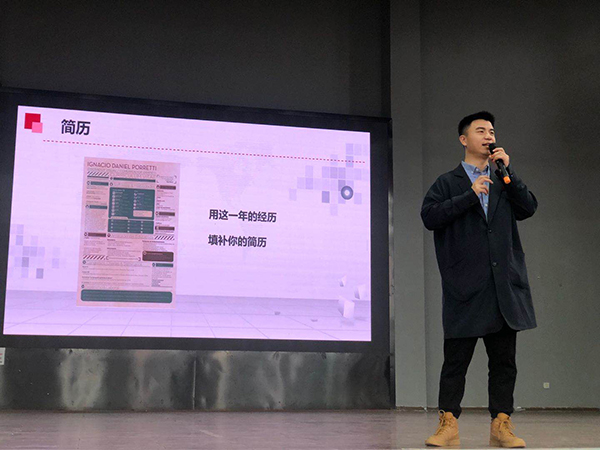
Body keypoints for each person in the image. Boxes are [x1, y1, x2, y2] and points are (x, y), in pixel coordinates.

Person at [421, 111, 538, 448]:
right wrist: (470, 195)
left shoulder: (503, 180)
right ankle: (448, 423)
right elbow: (430, 216)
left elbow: (528, 208)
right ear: (464, 139)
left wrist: (509, 173)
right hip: (465, 286)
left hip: (503, 287)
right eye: (481, 131)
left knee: (504, 361)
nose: (489, 136)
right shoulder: (447, 182)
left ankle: (501, 423)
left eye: (492, 132)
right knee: (456, 361)